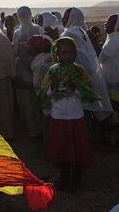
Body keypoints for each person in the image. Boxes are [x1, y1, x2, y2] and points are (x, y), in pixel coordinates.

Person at [39, 37, 99, 192]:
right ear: (57, 54)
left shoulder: (79, 71)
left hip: (75, 116)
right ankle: (64, 178)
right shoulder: (53, 71)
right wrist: (53, 87)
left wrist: (75, 88)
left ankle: (76, 180)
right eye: (64, 53)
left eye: (71, 53)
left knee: (77, 148)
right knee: (62, 148)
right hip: (59, 115)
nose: (67, 56)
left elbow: (88, 91)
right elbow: (45, 93)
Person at [62, 7, 113, 122]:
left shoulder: (69, 32)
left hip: (78, 77)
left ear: (72, 18)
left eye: (65, 17)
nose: (62, 19)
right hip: (89, 74)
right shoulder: (80, 31)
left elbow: (71, 56)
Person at [99, 14, 119, 146]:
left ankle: (118, 141)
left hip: (115, 82)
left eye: (109, 22)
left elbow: (102, 59)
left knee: (118, 113)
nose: (105, 24)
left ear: (117, 26)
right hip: (115, 79)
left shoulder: (114, 40)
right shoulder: (115, 38)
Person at [12, 6, 44, 138]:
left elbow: (15, 52)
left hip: (23, 68)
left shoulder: (17, 32)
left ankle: (31, 130)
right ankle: (40, 128)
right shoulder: (37, 29)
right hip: (37, 66)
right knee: (38, 100)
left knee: (26, 102)